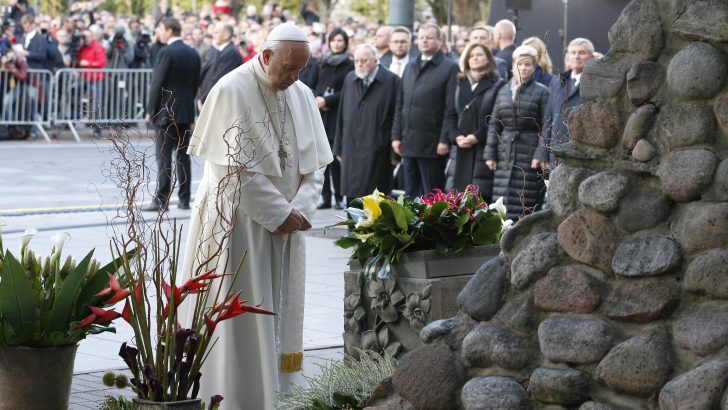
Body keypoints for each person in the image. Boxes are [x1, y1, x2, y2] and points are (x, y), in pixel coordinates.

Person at [181, 22, 332, 409]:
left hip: (287, 226)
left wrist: (300, 211)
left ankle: (279, 396)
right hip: (239, 228)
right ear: (265, 56)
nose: (295, 78)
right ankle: (234, 397)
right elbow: (228, 171)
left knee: (278, 312)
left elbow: (316, 165)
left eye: (301, 70)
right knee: (241, 316)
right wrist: (277, 212)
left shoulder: (301, 93)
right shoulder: (231, 90)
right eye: (288, 69)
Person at [391, 22, 459, 197]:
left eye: (429, 37)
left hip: (433, 144)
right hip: (409, 142)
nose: (424, 41)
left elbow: (450, 107)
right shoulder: (410, 66)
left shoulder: (449, 67)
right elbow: (401, 104)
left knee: (432, 194)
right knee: (410, 194)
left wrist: (444, 139)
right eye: (421, 38)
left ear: (439, 40)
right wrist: (396, 136)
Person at [485, 45, 550, 220]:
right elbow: (494, 124)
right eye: (519, 64)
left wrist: (540, 153)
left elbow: (547, 125)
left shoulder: (542, 92)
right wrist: (490, 154)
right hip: (504, 152)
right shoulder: (503, 91)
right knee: (501, 202)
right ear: (513, 66)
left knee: (525, 200)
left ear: (534, 67)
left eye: (527, 64)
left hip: (528, 154)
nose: (523, 68)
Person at [143, 17, 201, 211]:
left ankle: (161, 199)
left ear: (168, 30)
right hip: (186, 111)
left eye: (160, 28)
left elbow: (157, 83)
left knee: (164, 156)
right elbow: (194, 84)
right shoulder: (193, 52)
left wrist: (151, 110)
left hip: (167, 111)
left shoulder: (166, 52)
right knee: (183, 157)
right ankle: (184, 199)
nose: (158, 32)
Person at [334, 44, 400, 199]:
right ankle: (353, 224)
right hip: (351, 147)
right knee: (352, 200)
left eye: (364, 60)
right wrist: (338, 147)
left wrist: (394, 154)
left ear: (375, 60)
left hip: (377, 149)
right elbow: (342, 114)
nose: (359, 64)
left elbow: (396, 117)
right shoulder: (350, 78)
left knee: (375, 199)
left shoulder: (392, 81)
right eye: (356, 60)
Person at [443, 42, 505, 202]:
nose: (475, 58)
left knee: (477, 201)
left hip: (481, 149)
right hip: (459, 148)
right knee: (455, 202)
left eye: (479, 55)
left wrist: (477, 136)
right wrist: (455, 136)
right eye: (471, 55)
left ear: (488, 59)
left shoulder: (498, 84)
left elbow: (497, 119)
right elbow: (450, 114)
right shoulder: (458, 83)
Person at [309, 27, 354, 209]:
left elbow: (347, 91)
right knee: (322, 160)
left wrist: (327, 100)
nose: (337, 44)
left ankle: (339, 197)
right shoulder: (320, 63)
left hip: (336, 115)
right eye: (334, 40)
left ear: (345, 44)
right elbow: (310, 84)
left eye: (340, 41)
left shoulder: (349, 65)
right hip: (320, 116)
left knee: (335, 159)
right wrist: (317, 99)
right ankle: (325, 196)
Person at [536, 37, 594, 169]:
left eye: (582, 53)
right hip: (555, 154)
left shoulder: (595, 84)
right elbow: (548, 120)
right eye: (573, 52)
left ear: (591, 56)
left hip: (582, 154)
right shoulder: (557, 82)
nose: (576, 56)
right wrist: (543, 153)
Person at [197, 22, 242, 107]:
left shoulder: (231, 52)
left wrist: (205, 100)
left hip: (220, 103)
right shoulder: (222, 51)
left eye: (216, 32)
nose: (213, 35)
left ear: (226, 35)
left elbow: (218, 79)